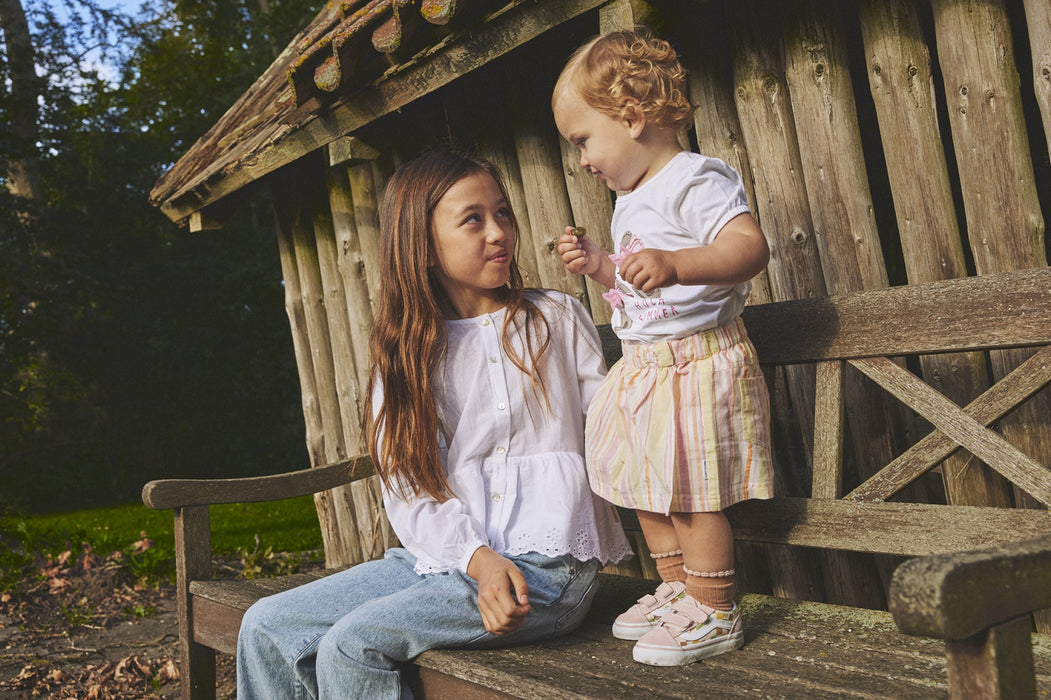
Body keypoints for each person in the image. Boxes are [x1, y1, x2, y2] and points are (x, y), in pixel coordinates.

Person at [235, 149, 632, 699]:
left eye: (504, 213)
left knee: (355, 643)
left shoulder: (554, 318)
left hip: (548, 572)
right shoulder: (405, 360)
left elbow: (611, 429)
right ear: (421, 244)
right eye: (473, 219)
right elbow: (409, 490)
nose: (499, 232)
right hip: (447, 562)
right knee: (266, 625)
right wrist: (477, 558)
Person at [552, 29, 775, 667]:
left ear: (631, 116)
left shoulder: (692, 178)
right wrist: (602, 266)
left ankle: (714, 608)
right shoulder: (629, 202)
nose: (583, 160)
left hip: (695, 363)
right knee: (644, 485)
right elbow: (634, 289)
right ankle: (675, 586)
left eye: (583, 140)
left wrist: (678, 264)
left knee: (690, 490)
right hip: (648, 366)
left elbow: (748, 249)